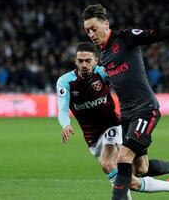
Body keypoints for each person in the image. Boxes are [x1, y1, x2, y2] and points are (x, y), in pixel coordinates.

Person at [82, 4, 169, 200]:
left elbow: (156, 34)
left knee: (123, 158)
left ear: (105, 24)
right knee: (141, 169)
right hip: (127, 115)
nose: (91, 34)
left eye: (94, 28)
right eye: (87, 31)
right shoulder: (103, 55)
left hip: (145, 110)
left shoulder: (125, 38)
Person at [57, 42, 133, 199]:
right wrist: (66, 125)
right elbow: (63, 109)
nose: (84, 64)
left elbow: (123, 82)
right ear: (75, 61)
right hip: (92, 137)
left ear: (96, 60)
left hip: (112, 125)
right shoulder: (65, 82)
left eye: (88, 60)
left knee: (107, 163)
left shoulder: (102, 73)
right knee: (133, 179)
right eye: (81, 60)